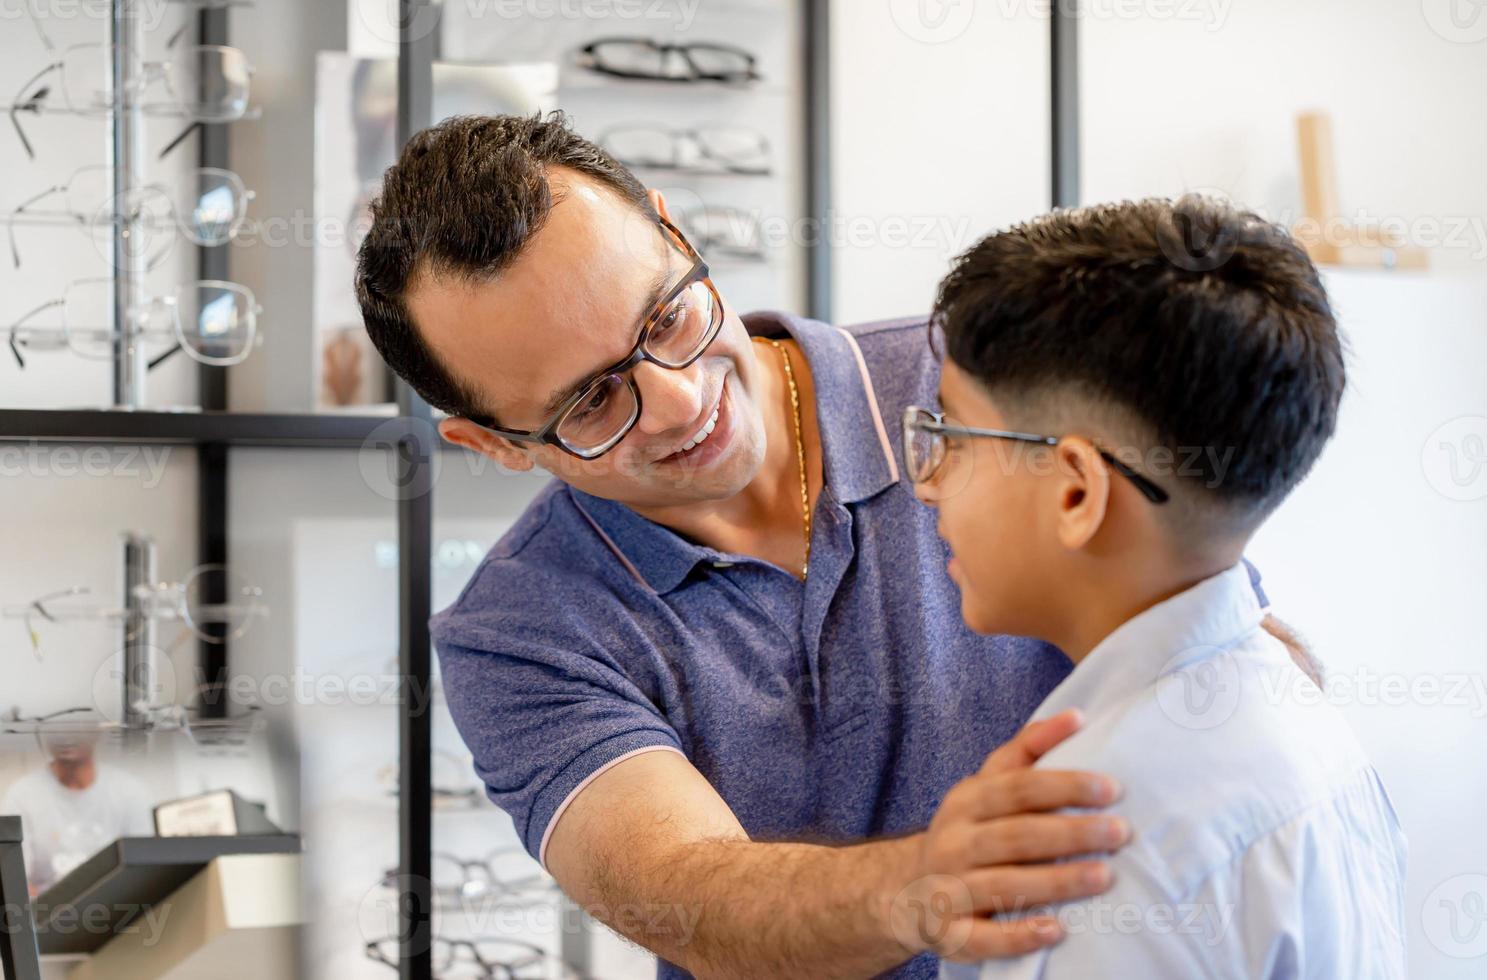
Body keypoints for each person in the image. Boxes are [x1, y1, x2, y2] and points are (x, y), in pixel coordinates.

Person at [354, 112, 1281, 978]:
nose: (681, 401)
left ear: (674, 236)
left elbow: (1207, 642)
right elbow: (680, 890)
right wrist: (924, 886)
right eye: (591, 401)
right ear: (492, 444)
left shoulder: (977, 386)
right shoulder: (519, 630)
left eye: (665, 319)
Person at [903, 198, 1407, 977]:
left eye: (953, 435)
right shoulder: (1299, 717)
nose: (929, 483)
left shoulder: (1088, 833)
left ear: (1075, 491)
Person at [0, 727, 152, 895]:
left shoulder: (129, 790)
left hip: (118, 904)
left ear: (98, 730)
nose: (64, 736)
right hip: (47, 913)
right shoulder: (22, 795)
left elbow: (144, 869)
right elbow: (14, 882)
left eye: (77, 724)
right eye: (55, 726)